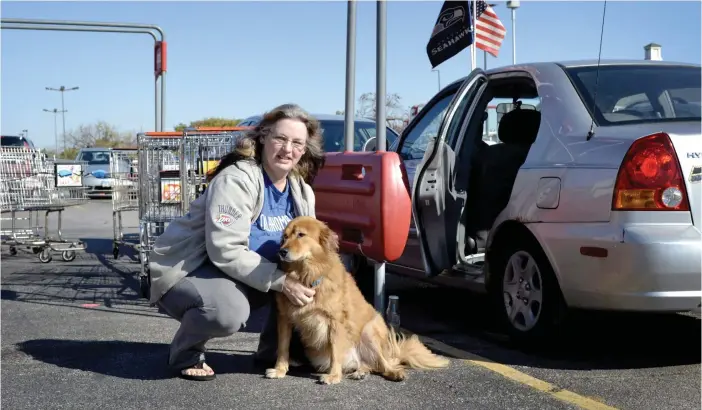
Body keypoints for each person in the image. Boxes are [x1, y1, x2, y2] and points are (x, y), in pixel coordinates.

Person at [148, 103, 326, 381]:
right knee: (226, 312)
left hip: (242, 272)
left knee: (311, 282)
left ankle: (275, 352)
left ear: (304, 149)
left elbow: (310, 248)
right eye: (280, 138)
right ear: (264, 137)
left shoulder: (301, 190)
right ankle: (186, 352)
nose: (287, 149)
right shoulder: (236, 179)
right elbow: (225, 249)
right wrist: (282, 281)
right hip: (191, 269)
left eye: (297, 143)